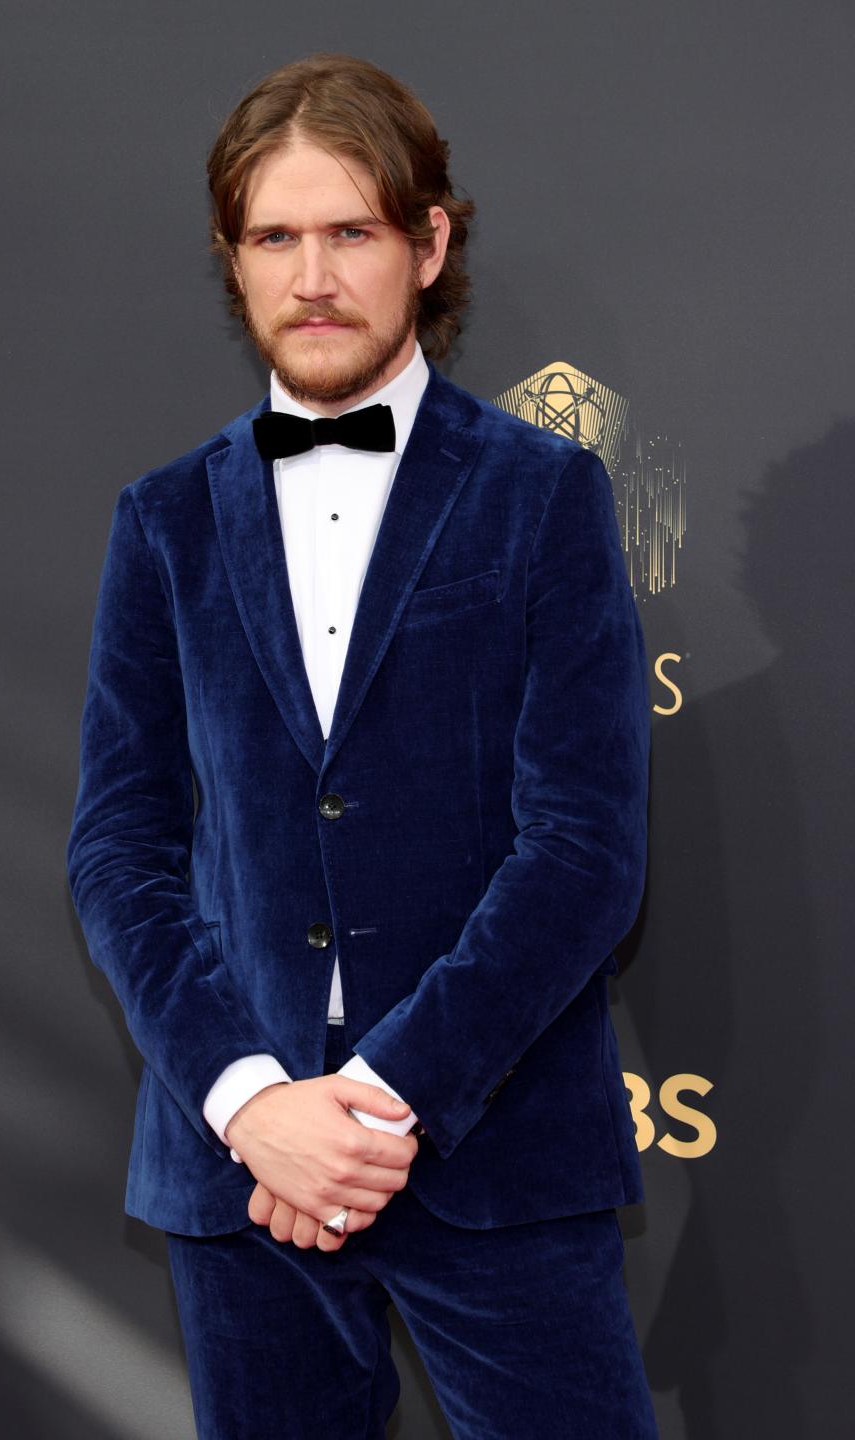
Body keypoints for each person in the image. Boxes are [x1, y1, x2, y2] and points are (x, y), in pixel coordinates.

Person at [66, 51, 659, 1440]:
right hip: (240, 1175)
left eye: (352, 232)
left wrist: (383, 1102)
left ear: (429, 242)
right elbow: (121, 848)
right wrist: (251, 1100)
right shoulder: (163, 520)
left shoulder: (548, 497)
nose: (313, 275)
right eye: (276, 236)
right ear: (234, 257)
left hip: (494, 1152)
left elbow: (582, 848)